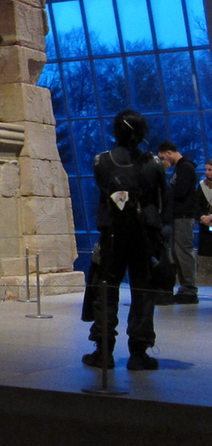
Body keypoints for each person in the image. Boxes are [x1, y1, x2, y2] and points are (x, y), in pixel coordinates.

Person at [84, 110, 166, 372]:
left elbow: (104, 190)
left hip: (113, 234)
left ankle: (104, 351)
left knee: (106, 289)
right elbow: (161, 199)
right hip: (143, 236)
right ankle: (138, 353)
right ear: (141, 134)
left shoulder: (102, 162)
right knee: (143, 292)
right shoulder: (153, 163)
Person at [157, 142, 199, 305]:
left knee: (183, 252)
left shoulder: (185, 168)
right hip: (178, 215)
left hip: (184, 215)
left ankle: (189, 289)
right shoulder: (181, 168)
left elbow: (180, 192)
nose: (162, 161)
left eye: (162, 158)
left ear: (169, 152)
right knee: (177, 252)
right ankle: (185, 287)